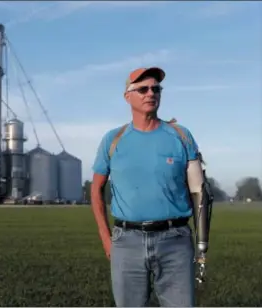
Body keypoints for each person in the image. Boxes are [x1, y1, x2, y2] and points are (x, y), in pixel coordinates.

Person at [91, 67, 205, 307]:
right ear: (127, 96)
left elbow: (199, 192)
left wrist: (202, 243)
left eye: (156, 88)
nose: (150, 93)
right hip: (126, 242)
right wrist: (105, 237)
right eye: (143, 89)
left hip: (175, 241)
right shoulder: (113, 140)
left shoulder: (181, 136)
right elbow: (96, 189)